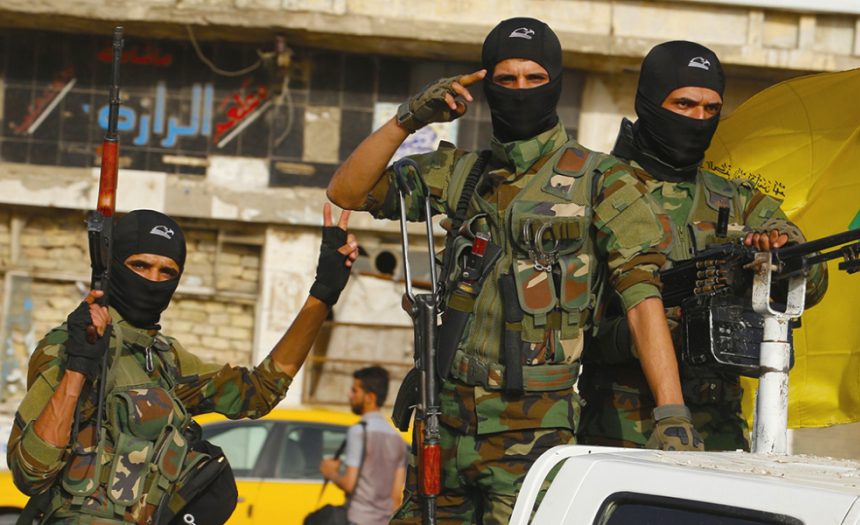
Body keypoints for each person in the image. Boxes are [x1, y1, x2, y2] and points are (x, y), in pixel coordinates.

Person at [327, 17, 698, 524]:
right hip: (444, 422)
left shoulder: (602, 179)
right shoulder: (460, 173)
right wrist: (408, 120)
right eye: (506, 79)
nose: (521, 90)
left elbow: (641, 296)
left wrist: (671, 413)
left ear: (555, 83)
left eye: (534, 78)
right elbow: (347, 192)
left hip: (534, 433)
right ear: (488, 86)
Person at [8, 205, 358, 524]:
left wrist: (322, 294)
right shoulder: (67, 346)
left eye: (167, 271)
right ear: (113, 265)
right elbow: (31, 473)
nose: (153, 280)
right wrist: (79, 365)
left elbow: (259, 391)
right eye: (140, 266)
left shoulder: (165, 358)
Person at [578, 41, 829, 451]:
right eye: (684, 104)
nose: (698, 119)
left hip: (720, 429)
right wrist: (652, 330)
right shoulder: (599, 187)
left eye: (711, 109)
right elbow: (567, 318)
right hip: (620, 429)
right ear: (649, 103)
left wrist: (783, 250)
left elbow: (814, 281)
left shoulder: (735, 199)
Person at [319, 366, 408, 525]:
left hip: (358, 518)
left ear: (370, 397)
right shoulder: (397, 439)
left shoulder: (359, 431)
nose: (349, 395)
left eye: (355, 391)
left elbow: (350, 484)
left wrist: (330, 472)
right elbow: (396, 497)